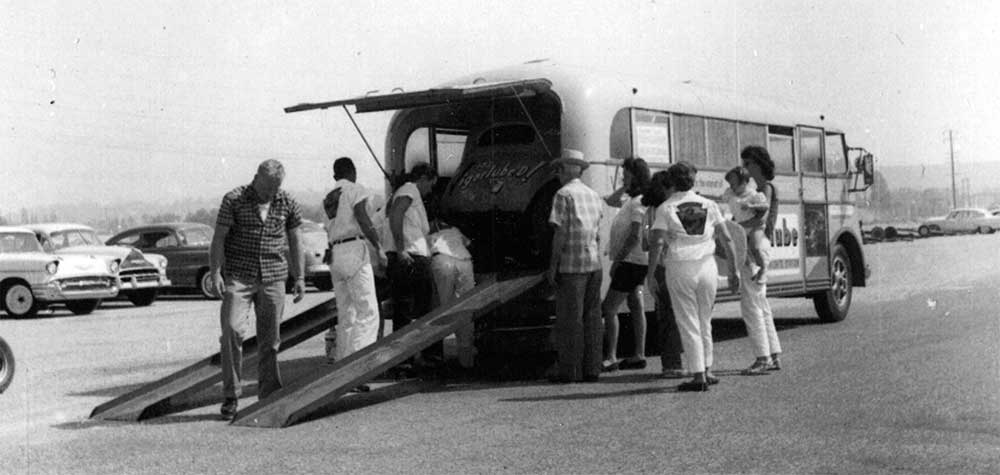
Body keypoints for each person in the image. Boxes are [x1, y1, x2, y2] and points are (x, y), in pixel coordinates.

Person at [209, 159, 305, 419]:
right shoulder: (234, 199)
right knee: (231, 330)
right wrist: (216, 271)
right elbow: (219, 237)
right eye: (266, 189)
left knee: (270, 340)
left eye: (275, 188)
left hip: (274, 276)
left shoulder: (286, 201)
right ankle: (231, 396)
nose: (269, 194)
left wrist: (300, 277)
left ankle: (269, 394)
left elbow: (296, 239)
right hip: (240, 276)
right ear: (255, 178)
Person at [645, 162, 739, 392]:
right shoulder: (709, 204)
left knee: (687, 321)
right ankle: (707, 368)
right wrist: (734, 269)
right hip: (708, 266)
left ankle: (698, 375)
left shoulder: (666, 207)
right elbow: (727, 238)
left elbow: (657, 242)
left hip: (679, 267)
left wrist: (651, 274)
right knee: (704, 318)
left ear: (672, 181)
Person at [322, 157, 386, 376]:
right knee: (368, 311)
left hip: (335, 254)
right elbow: (363, 218)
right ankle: (359, 367)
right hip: (353, 250)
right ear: (353, 171)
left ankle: (343, 361)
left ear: (335, 175)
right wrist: (379, 247)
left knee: (346, 313)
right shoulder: (355, 190)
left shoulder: (328, 198)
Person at [546, 149, 604, 383]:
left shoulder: (563, 194)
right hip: (593, 263)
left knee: (570, 320)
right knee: (592, 318)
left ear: (569, 169)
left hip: (571, 265)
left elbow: (559, 233)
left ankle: (569, 371)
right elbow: (598, 232)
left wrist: (552, 266)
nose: (557, 173)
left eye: (559, 168)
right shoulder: (593, 194)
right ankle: (592, 369)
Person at [600, 158, 651, 372]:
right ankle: (639, 353)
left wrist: (618, 260)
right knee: (635, 304)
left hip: (630, 261)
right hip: (637, 261)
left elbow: (633, 236)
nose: (623, 174)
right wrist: (625, 185)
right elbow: (611, 200)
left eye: (626, 172)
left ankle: (611, 356)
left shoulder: (638, 202)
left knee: (609, 308)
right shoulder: (633, 199)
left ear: (635, 174)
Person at [386, 163, 438, 368]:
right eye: (431, 185)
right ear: (423, 178)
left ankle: (404, 359)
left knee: (404, 310)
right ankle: (418, 357)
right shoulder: (410, 190)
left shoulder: (404, 191)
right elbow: (397, 216)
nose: (430, 190)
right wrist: (401, 249)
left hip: (408, 255)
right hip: (411, 257)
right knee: (421, 307)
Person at [739, 145, 783, 373]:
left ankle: (762, 357)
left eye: (747, 164)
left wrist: (736, 227)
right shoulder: (766, 188)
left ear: (757, 164)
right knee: (761, 304)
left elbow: (760, 218)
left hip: (756, 246)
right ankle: (773, 354)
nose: (744, 169)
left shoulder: (765, 189)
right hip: (762, 247)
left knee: (751, 305)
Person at [641, 171, 685, 378]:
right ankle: (677, 364)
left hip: (659, 269)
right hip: (674, 266)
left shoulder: (649, 211)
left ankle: (670, 363)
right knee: (677, 316)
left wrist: (650, 275)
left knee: (665, 317)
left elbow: (645, 243)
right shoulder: (670, 210)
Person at [428, 220, 476, 368]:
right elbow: (468, 243)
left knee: (442, 309)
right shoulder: (455, 229)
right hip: (463, 260)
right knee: (466, 308)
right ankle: (466, 360)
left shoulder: (426, 230)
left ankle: (435, 358)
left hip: (441, 260)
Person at [722, 166, 770, 283]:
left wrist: (751, 206)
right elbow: (720, 198)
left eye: (735, 184)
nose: (732, 187)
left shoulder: (753, 194)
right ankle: (753, 267)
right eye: (730, 184)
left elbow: (765, 206)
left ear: (744, 183)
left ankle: (763, 270)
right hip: (741, 226)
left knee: (755, 247)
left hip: (754, 226)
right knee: (741, 249)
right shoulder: (730, 193)